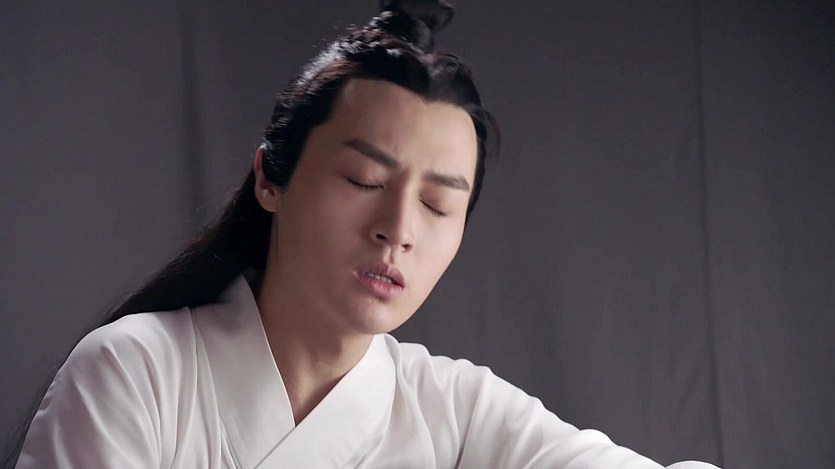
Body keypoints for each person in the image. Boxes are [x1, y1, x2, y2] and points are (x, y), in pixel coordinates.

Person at [13, 1, 721, 467]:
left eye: (438, 206)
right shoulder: (134, 373)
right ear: (269, 178)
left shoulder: (457, 412)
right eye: (363, 180)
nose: (398, 230)